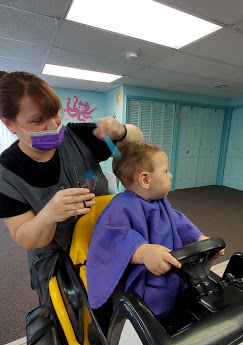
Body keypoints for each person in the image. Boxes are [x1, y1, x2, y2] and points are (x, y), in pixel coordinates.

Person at [0, 71, 143, 305]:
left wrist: (123, 131)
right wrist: (49, 215)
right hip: (60, 264)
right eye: (38, 120)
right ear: (9, 123)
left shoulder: (77, 136)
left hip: (108, 243)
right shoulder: (7, 173)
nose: (54, 124)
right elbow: (25, 237)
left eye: (55, 113)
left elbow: (135, 141)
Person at [86, 141, 225, 316]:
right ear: (145, 179)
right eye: (166, 171)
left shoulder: (160, 202)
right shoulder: (121, 207)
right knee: (158, 312)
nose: (171, 175)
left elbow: (178, 223)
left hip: (175, 270)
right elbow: (112, 239)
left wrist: (201, 240)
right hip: (145, 282)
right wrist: (144, 253)